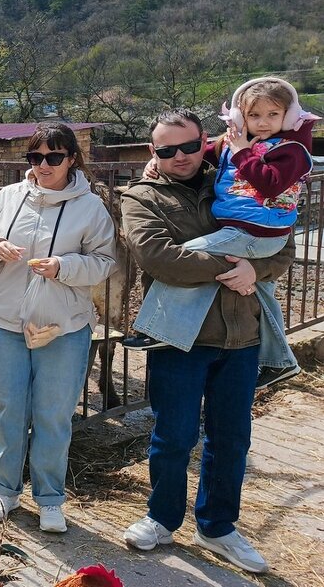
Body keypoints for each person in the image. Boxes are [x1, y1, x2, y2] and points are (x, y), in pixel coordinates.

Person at [121, 108, 295, 574]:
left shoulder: (242, 176)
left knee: (232, 437)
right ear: (151, 152)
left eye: (189, 146)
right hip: (180, 338)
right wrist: (235, 267)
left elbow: (283, 242)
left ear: (208, 142)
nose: (180, 156)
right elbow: (160, 259)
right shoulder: (142, 197)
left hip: (241, 334)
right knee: (173, 435)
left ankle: (218, 526)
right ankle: (161, 518)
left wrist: (256, 269)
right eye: (167, 150)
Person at [0, 122, 116, 533]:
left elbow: (105, 262)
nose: (44, 165)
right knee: (7, 410)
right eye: (36, 158)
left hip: (62, 326)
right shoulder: (9, 197)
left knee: (52, 415)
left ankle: (50, 498)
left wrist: (63, 267)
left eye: (54, 157)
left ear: (72, 158)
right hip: (6, 320)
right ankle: (4, 491)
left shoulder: (90, 207)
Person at [125, 77, 315, 390]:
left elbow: (270, 184)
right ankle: (281, 361)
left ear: (289, 116)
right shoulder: (143, 195)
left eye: (272, 115)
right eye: (254, 116)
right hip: (244, 237)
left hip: (256, 233)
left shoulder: (290, 150)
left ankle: (154, 330)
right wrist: (247, 272)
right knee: (264, 293)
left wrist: (242, 152)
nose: (263, 123)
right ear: (241, 118)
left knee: (190, 250)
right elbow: (156, 257)